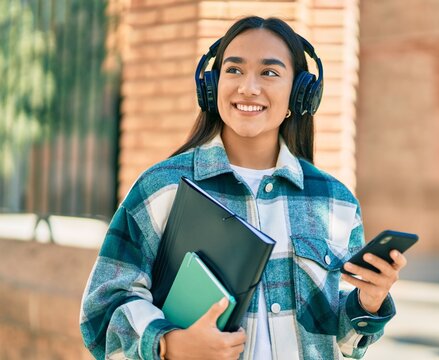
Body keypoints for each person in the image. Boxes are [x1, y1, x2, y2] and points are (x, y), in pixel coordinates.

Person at [80, 16, 407, 360]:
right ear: (211, 86)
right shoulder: (161, 188)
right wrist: (168, 344)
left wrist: (368, 302)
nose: (248, 88)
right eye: (234, 70)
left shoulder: (336, 203)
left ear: (300, 92)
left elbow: (343, 344)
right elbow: (102, 310)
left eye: (269, 72)